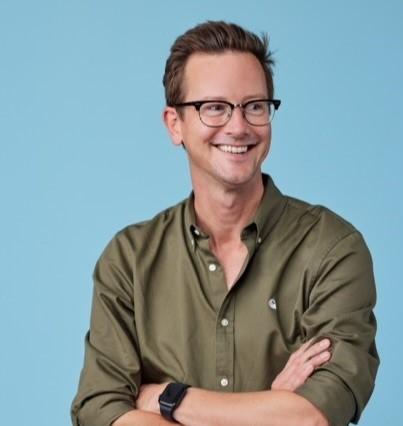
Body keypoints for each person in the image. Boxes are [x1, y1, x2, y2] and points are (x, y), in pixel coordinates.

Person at [71, 21, 379, 426]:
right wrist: (270, 407)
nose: (238, 126)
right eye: (214, 107)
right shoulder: (128, 261)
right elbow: (100, 411)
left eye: (255, 106)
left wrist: (168, 399)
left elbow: (312, 417)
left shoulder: (331, 248)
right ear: (174, 123)